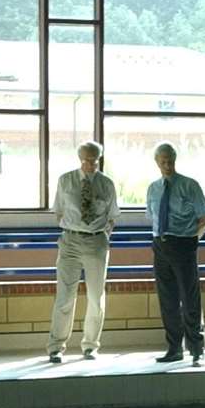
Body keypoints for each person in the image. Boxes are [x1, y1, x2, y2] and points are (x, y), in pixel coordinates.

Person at [48, 141, 118, 363]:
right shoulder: (66, 180)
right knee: (64, 296)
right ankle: (56, 346)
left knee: (96, 296)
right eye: (87, 160)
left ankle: (90, 345)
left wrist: (100, 235)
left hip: (96, 241)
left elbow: (112, 216)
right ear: (80, 159)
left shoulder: (107, 184)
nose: (90, 164)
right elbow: (58, 212)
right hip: (70, 240)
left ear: (100, 159)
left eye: (94, 160)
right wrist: (73, 229)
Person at [145, 142, 205, 365]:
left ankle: (196, 349)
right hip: (160, 245)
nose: (167, 165)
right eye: (163, 161)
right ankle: (174, 348)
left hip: (183, 244)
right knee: (168, 300)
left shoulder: (189, 185)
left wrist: (192, 242)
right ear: (156, 162)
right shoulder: (153, 188)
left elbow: (203, 220)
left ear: (175, 160)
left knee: (190, 299)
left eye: (170, 161)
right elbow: (152, 217)